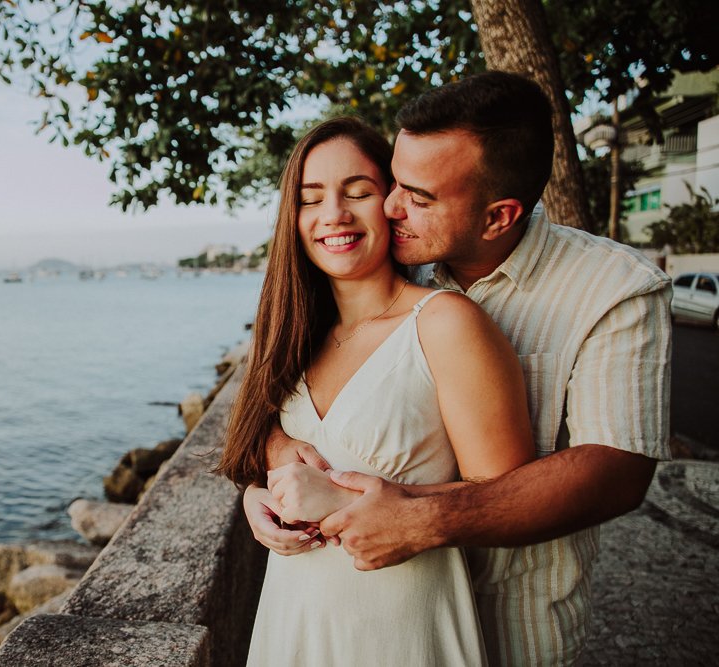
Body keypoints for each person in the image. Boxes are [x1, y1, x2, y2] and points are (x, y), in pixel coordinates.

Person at [245, 71, 673, 666]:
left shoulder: (613, 289)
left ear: (498, 217)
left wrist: (419, 518)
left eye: (416, 196)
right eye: (393, 181)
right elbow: (293, 398)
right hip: (324, 612)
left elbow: (617, 470)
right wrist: (273, 463)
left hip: (513, 610)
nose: (392, 206)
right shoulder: (396, 258)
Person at [217, 116, 537, 666]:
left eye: (358, 192)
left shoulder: (443, 324)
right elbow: (269, 447)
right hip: (292, 624)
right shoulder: (293, 337)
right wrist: (261, 494)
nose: (334, 215)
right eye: (310, 198)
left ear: (391, 202)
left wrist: (343, 503)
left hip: (402, 633)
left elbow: (510, 500)